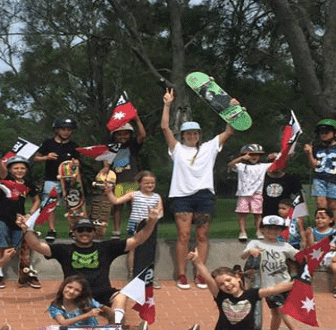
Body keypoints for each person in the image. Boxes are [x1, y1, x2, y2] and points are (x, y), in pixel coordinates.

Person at [136, 251, 336, 330]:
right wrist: (197, 262)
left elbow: (276, 289)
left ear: (238, 278)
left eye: (229, 280)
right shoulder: (219, 295)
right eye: (222, 284)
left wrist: (298, 281)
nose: (226, 285)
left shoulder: (252, 293)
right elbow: (208, 279)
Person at [18, 210, 162, 326]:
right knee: (85, 323)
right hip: (77, 296)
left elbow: (137, 239)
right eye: (80, 230)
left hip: (103, 294)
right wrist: (26, 229)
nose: (84, 233)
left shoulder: (106, 248)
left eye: (88, 230)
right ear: (73, 233)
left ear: (94, 232)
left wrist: (152, 222)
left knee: (121, 296)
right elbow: (36, 245)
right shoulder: (64, 250)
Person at [161, 88, 238, 289]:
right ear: (183, 135)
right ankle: (181, 274)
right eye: (188, 133)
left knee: (202, 235)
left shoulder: (209, 147)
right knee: (184, 235)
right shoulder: (176, 148)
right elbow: (164, 129)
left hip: (204, 195)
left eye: (195, 133)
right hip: (182, 196)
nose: (192, 136)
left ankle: (200, 273)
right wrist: (167, 104)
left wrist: (233, 109)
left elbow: (230, 131)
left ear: (199, 135)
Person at [242, 215, 316, 330]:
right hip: (268, 286)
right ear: (262, 229)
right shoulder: (256, 243)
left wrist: (312, 248)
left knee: (276, 311)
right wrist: (251, 251)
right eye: (269, 228)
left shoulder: (285, 246)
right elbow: (243, 256)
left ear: (281, 231)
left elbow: (299, 257)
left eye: (276, 229)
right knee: (282, 308)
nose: (272, 231)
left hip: (284, 283)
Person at [0, 155, 42, 288]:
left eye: (22, 168)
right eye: (16, 168)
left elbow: (37, 200)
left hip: (18, 220)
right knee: (0, 244)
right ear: (11, 170)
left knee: (21, 247)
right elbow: (2, 171)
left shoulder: (28, 184)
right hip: (1, 217)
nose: (19, 170)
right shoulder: (6, 179)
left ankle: (26, 272)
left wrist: (29, 214)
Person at [105, 170, 163, 282]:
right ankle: (132, 273)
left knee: (149, 249)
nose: (150, 185)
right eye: (146, 183)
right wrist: (109, 192)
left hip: (150, 225)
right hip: (135, 225)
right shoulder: (134, 194)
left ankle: (149, 274)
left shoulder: (157, 197)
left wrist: (153, 217)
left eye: (152, 183)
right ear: (139, 183)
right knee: (133, 249)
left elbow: (161, 212)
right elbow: (116, 201)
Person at [33, 117, 80, 243]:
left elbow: (78, 163)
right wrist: (47, 158)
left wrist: (76, 163)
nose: (66, 132)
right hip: (51, 178)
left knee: (71, 205)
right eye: (63, 129)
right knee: (50, 204)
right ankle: (51, 230)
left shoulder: (74, 146)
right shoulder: (48, 143)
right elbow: (36, 158)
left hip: (69, 180)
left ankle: (72, 230)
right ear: (57, 130)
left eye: (69, 130)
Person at [105, 119, 147, 238]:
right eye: (119, 134)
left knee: (134, 206)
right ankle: (116, 231)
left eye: (125, 133)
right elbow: (106, 163)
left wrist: (138, 119)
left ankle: (133, 229)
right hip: (117, 181)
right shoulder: (111, 148)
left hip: (132, 181)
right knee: (117, 207)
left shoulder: (133, 146)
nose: (122, 136)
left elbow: (142, 135)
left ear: (130, 134)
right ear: (114, 135)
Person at [228, 144, 268, 242]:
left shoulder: (263, 166)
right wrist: (241, 158)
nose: (254, 157)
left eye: (257, 155)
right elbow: (230, 164)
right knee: (242, 213)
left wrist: (276, 155)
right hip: (243, 194)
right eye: (251, 154)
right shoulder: (241, 166)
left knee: (258, 214)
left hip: (257, 193)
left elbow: (279, 164)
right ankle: (242, 232)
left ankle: (259, 231)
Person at [309, 207, 336, 299]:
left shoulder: (334, 232)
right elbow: (312, 245)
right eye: (317, 218)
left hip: (331, 255)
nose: (319, 220)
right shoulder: (312, 231)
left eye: (323, 218)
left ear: (331, 220)